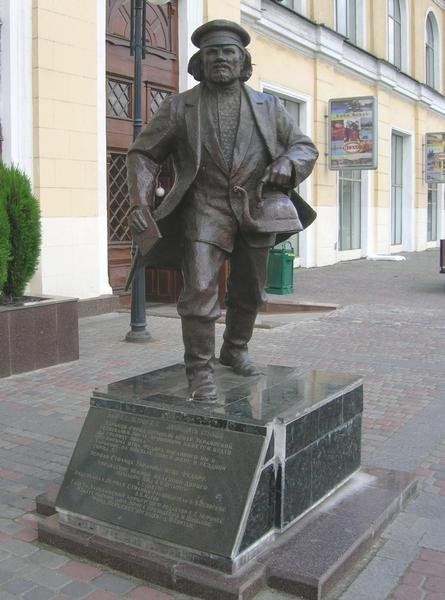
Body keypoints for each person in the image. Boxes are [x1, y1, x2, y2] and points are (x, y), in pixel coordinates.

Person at [126, 19, 318, 401]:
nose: (220, 58)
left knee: (250, 291)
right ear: (200, 60)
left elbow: (304, 147)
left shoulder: (268, 106)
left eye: (228, 51)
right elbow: (143, 153)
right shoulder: (180, 106)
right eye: (211, 52)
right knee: (198, 290)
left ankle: (235, 348)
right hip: (204, 210)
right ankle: (199, 369)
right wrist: (139, 200)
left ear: (242, 59)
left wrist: (289, 164)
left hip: (257, 208)